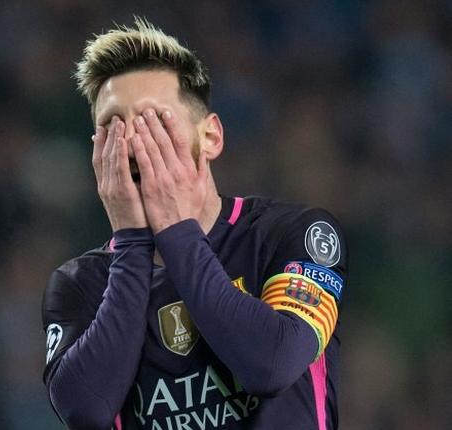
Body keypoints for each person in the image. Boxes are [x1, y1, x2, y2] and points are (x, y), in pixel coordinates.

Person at [42, 18, 347, 430]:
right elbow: (85, 410)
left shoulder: (292, 234)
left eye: (153, 120)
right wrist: (133, 243)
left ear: (211, 138)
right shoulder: (79, 283)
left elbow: (273, 365)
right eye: (112, 125)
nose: (134, 140)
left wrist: (174, 228)